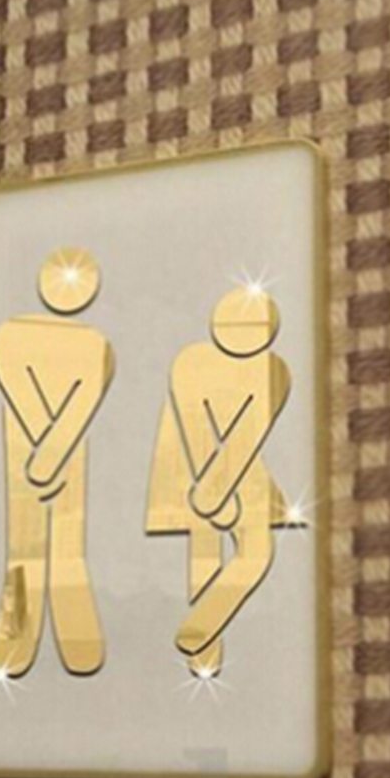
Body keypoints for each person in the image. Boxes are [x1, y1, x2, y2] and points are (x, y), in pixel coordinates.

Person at [145, 287, 299, 678]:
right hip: (189, 467)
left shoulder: (274, 370)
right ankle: (203, 649)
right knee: (204, 549)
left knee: (257, 552)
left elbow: (248, 434)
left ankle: (202, 627)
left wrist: (220, 487)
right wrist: (210, 492)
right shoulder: (190, 362)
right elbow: (194, 427)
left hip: (240, 470)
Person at [0, 248, 114, 677]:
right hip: (34, 447)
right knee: (25, 544)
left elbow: (85, 398)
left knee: (66, 545)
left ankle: (69, 618)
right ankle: (18, 629)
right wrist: (47, 456)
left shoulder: (96, 345)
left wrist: (51, 454)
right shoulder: (12, 333)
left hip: (57, 448)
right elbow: (17, 387)